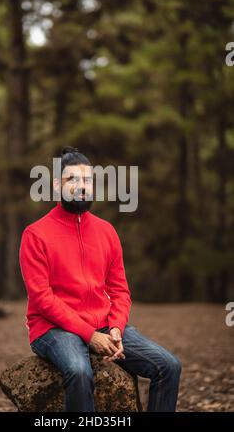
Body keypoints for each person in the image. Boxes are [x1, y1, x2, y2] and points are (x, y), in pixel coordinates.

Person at [19, 146, 182, 412]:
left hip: (104, 325)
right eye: (73, 180)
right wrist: (90, 335)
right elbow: (42, 297)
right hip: (52, 328)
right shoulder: (35, 234)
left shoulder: (106, 232)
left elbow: (120, 291)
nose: (81, 186)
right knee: (79, 371)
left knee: (169, 366)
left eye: (87, 180)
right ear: (58, 185)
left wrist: (116, 328)